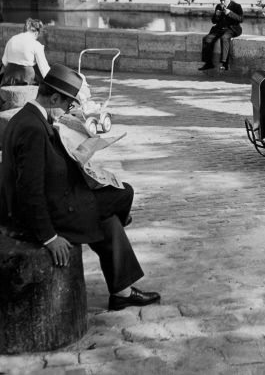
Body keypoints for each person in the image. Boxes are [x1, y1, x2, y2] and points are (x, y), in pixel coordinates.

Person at [0, 64, 160, 311]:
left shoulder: (30, 118)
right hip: (44, 214)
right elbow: (29, 191)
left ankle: (121, 292)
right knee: (121, 196)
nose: (66, 111)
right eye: (67, 105)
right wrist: (49, 237)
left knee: (109, 219)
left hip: (56, 197)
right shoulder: (32, 128)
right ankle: (122, 289)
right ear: (54, 97)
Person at [199, 0, 243, 71]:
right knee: (207, 39)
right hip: (219, 29)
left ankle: (224, 63)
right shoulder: (218, 6)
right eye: (220, 0)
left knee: (224, 38)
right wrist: (216, 15)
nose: (222, 2)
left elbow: (241, 19)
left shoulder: (236, 6)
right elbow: (213, 21)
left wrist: (230, 13)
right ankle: (208, 63)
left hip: (232, 29)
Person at [1, 18, 50, 86]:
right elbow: (44, 68)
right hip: (25, 79)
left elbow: (4, 63)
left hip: (8, 78)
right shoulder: (35, 44)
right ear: (36, 33)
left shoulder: (12, 39)